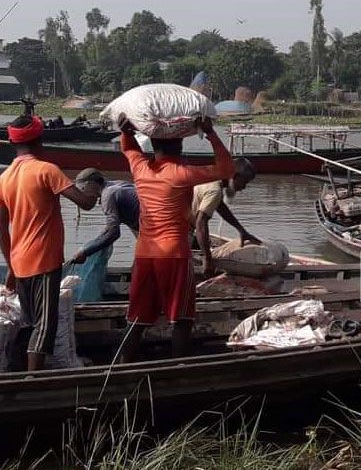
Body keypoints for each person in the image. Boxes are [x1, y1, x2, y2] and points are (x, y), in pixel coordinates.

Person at [117, 115, 234, 362]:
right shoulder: (181, 172)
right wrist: (211, 133)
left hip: (144, 253)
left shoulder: (141, 168)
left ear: (152, 145)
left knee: (137, 318)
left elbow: (128, 148)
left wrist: (126, 132)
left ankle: (120, 367)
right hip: (174, 254)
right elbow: (226, 169)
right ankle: (177, 367)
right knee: (181, 317)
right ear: (180, 146)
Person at [0, 115, 98, 371]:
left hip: (20, 261)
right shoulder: (46, 170)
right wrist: (96, 189)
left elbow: (1, 226)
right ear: (39, 140)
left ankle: (20, 371)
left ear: (12, 141)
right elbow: (85, 203)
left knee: (30, 321)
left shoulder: (5, 177)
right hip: (43, 259)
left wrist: (10, 264)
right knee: (45, 324)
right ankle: (34, 380)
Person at [69, 169, 140, 302]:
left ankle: (135, 306)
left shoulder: (108, 195)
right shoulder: (117, 185)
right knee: (137, 267)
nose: (83, 193)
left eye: (83, 188)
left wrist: (86, 250)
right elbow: (119, 224)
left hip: (157, 233)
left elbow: (114, 233)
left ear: (91, 184)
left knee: (139, 273)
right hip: (153, 230)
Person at [193, 158, 259, 279]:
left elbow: (221, 208)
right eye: (244, 182)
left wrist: (241, 230)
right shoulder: (214, 190)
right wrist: (208, 259)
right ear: (234, 176)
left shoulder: (212, 179)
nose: (243, 188)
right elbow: (201, 223)